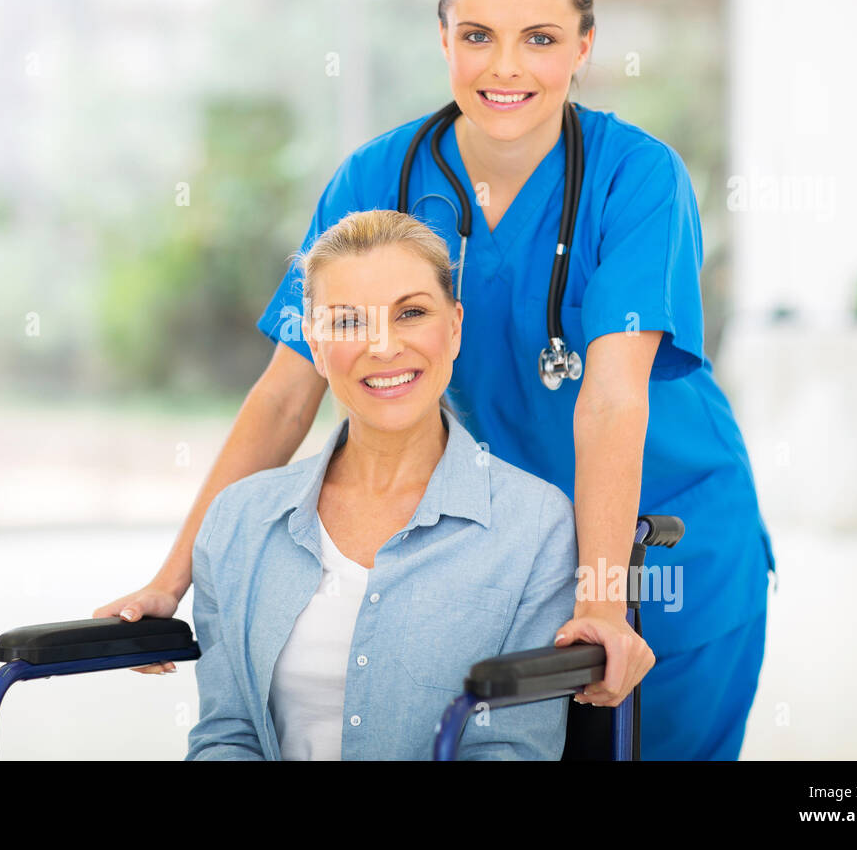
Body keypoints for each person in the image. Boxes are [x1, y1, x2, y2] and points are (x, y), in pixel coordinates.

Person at [97, 0, 776, 760]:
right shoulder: (377, 178)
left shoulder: (637, 180)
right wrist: (172, 578)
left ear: (584, 45)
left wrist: (605, 597)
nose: (506, 67)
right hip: (522, 556)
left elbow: (610, 402)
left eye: (540, 37)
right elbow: (285, 394)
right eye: (478, 35)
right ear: (444, 39)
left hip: (670, 538)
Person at [186, 209, 578, 760]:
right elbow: (224, 738)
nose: (385, 347)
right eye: (348, 322)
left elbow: (511, 750)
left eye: (411, 312)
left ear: (455, 327)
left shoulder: (535, 527)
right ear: (314, 345)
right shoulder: (238, 522)